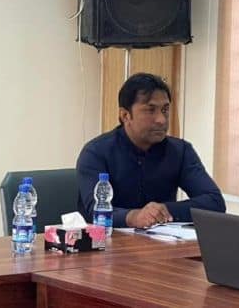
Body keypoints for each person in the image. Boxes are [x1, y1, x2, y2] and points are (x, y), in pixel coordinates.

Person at [76, 73, 225, 228]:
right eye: (150, 110)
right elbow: (93, 210)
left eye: (165, 110)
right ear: (125, 115)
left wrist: (163, 211)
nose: (161, 120)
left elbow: (215, 202)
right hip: (109, 240)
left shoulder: (180, 151)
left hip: (162, 240)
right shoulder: (96, 153)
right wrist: (133, 217)